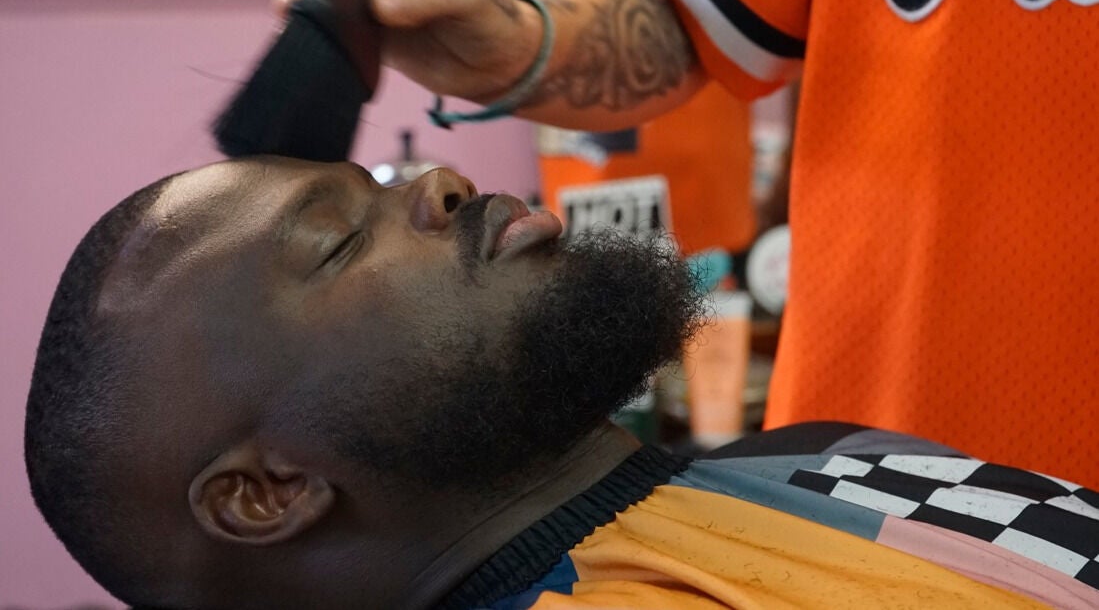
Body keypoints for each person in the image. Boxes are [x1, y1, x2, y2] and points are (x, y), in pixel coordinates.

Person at [274, 0, 1099, 487]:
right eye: (334, 243)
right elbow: (683, 0)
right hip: (907, 480)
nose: (447, 192)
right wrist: (521, 45)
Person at [25, 157, 1099, 609]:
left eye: (388, 182)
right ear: (266, 492)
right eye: (339, 240)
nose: (441, 185)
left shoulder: (824, 458)